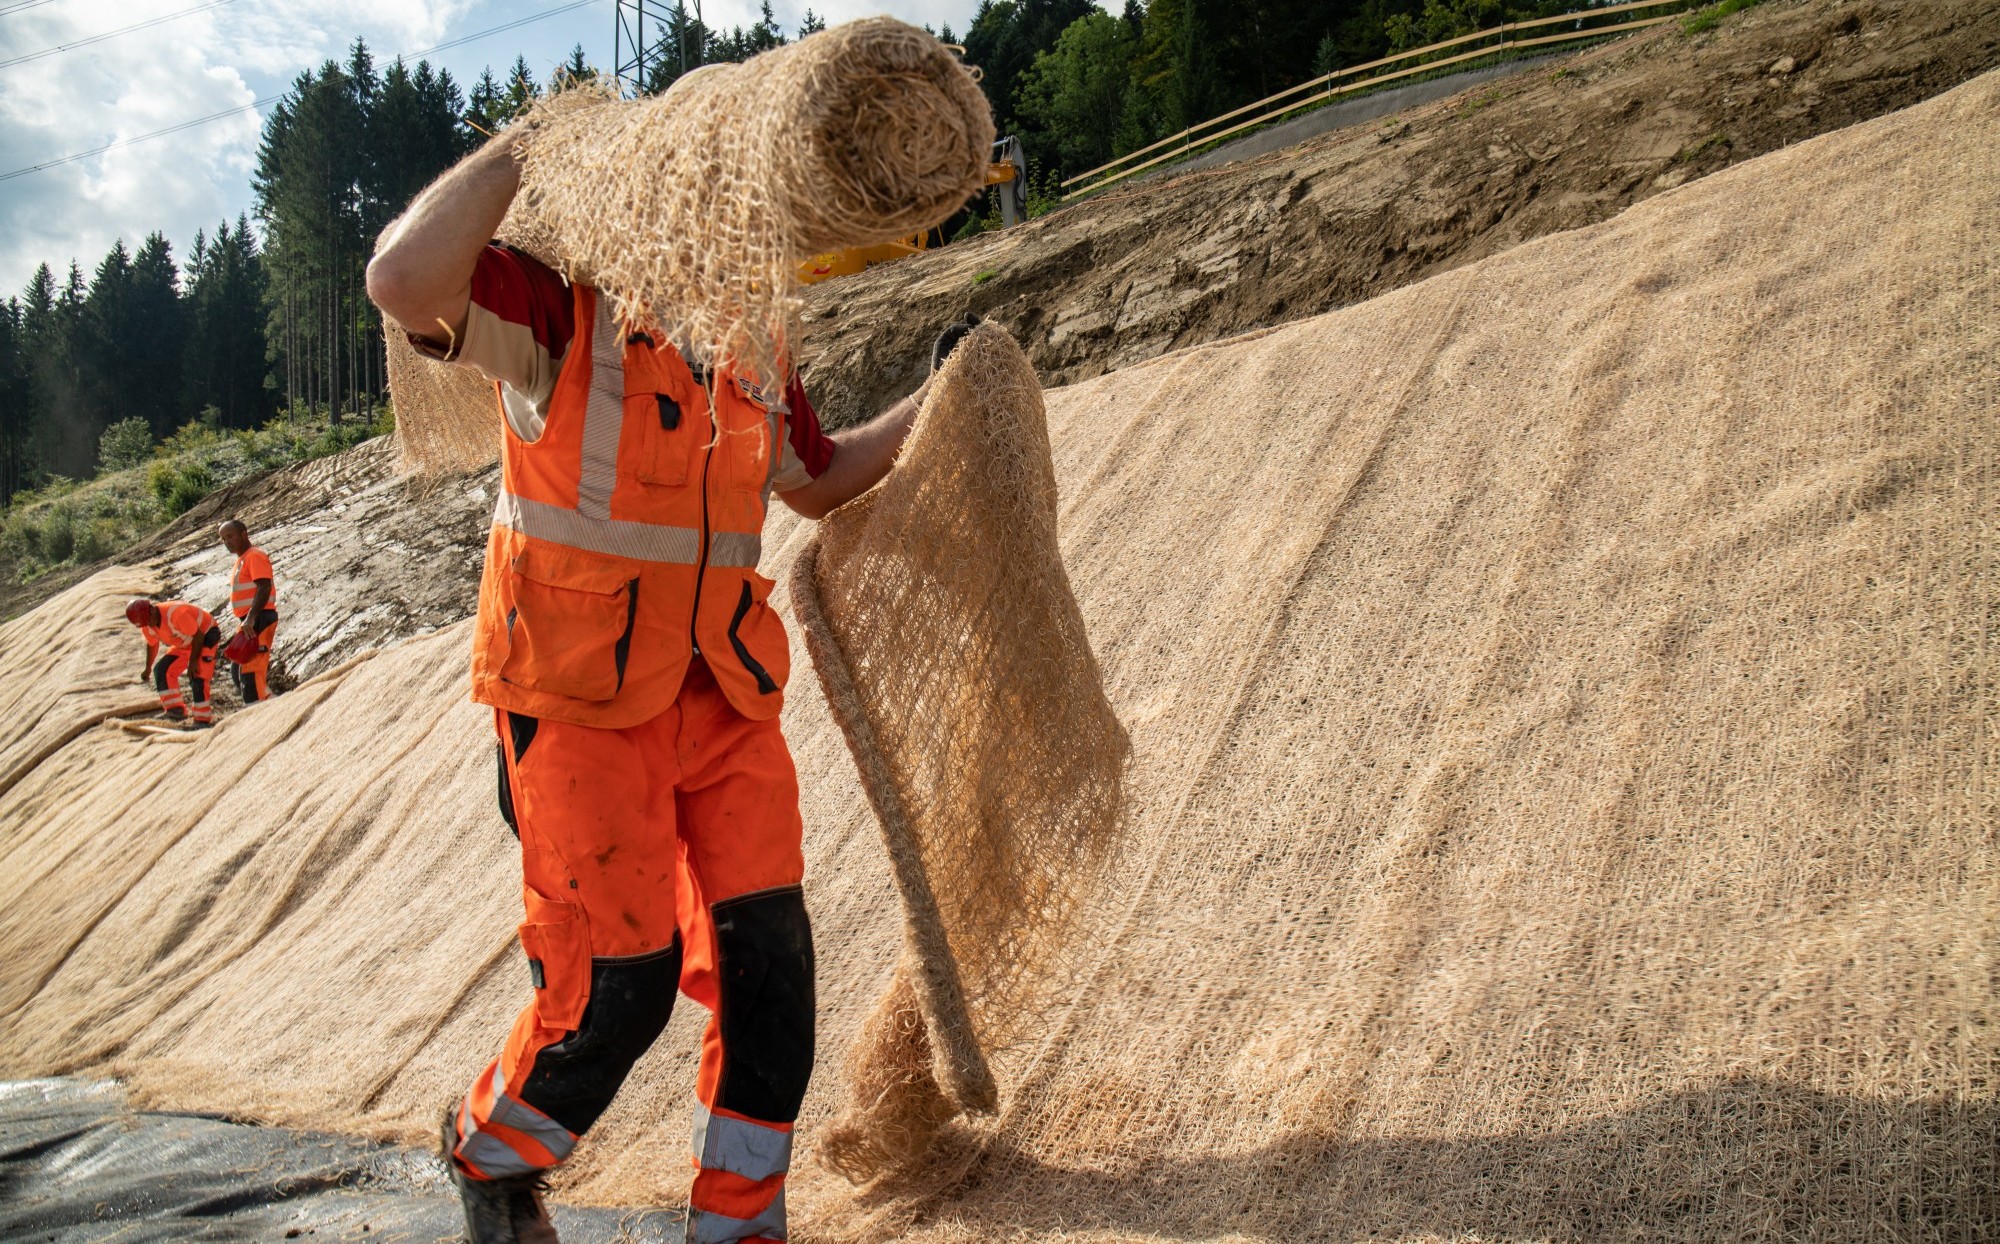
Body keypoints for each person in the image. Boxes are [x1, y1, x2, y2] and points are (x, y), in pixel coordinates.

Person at [366, 121, 955, 1244]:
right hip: (575, 705)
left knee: (771, 982)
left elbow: (818, 480)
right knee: (612, 996)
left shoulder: (750, 342)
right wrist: (530, 146)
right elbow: (401, 280)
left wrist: (937, 391)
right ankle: (490, 1154)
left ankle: (738, 1225)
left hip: (722, 699)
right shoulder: (553, 309)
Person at [126, 598, 221, 728]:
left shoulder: (176, 613)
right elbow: (152, 645)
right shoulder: (147, 626)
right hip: (185, 643)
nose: (149, 625)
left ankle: (202, 719)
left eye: (149, 620)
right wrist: (148, 668)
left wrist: (193, 661)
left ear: (152, 610)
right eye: (145, 623)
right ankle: (175, 711)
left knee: (197, 675)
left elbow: (198, 636)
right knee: (162, 670)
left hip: (205, 635)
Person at [218, 520, 279, 703]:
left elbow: (264, 587)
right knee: (238, 671)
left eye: (230, 536)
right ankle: (266, 703)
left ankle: (259, 712)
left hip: (257, 618)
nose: (227, 542)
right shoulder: (243, 559)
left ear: (244, 534)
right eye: (223, 539)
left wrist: (251, 618)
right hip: (250, 620)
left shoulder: (254, 556)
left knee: (250, 670)